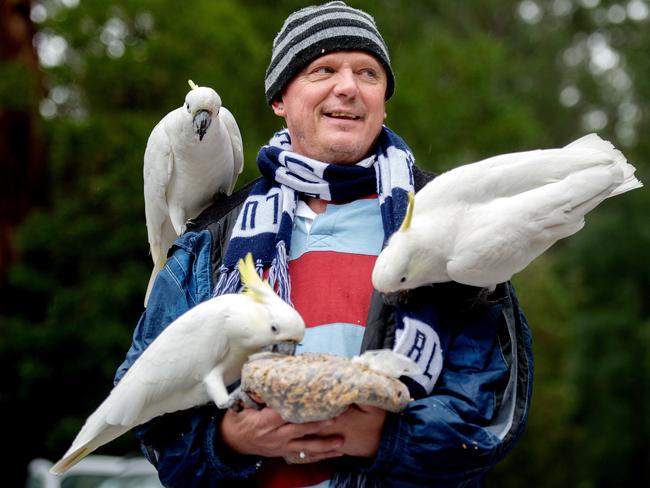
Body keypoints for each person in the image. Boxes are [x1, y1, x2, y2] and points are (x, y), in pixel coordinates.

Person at [115, 2, 533, 487]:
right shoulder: (212, 241)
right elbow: (145, 405)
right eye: (323, 69)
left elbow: (492, 404)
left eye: (368, 73)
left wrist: (382, 437)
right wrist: (230, 437)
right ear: (280, 98)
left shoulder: (447, 218)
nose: (348, 87)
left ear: (383, 98)